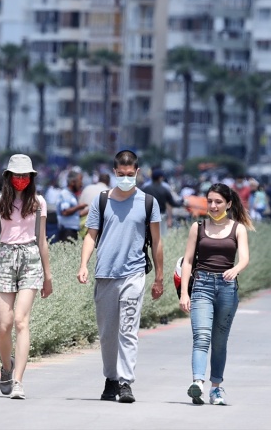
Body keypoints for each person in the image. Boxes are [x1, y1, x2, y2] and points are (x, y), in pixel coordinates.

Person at [77, 150, 164, 404]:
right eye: (121, 174)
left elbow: (157, 242)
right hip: (105, 273)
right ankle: (111, 378)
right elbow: (91, 235)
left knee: (128, 329)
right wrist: (83, 264)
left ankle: (126, 382)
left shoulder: (148, 202)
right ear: (115, 173)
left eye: (130, 174)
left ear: (137, 172)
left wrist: (159, 277)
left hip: (133, 274)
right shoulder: (101, 201)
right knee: (107, 332)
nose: (126, 178)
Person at [0, 154, 53, 400]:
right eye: (16, 175)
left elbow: (42, 240)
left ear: (31, 178)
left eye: (25, 176)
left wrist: (48, 276)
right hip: (5, 256)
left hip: (30, 257)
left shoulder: (39, 202)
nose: (21, 180)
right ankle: (6, 368)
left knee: (21, 321)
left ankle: (18, 381)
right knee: (4, 325)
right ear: (8, 177)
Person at [179, 183, 254, 406]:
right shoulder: (198, 227)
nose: (213, 205)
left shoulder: (237, 228)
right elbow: (188, 261)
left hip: (227, 288)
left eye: (218, 202)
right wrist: (185, 292)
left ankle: (216, 389)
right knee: (201, 337)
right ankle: (198, 384)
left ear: (228, 204)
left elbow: (245, 258)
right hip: (201, 285)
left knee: (219, 341)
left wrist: (235, 269)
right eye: (210, 201)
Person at [141, 169, 176, 236]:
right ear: (160, 177)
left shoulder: (145, 187)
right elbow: (171, 203)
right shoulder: (165, 188)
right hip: (161, 215)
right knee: (161, 236)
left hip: (148, 216)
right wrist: (170, 218)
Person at [56, 170, 87, 242]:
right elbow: (65, 212)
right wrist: (79, 207)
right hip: (67, 231)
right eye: (80, 181)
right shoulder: (65, 194)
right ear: (73, 182)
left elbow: (75, 214)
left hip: (72, 230)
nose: (81, 184)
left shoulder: (71, 195)